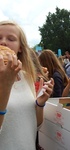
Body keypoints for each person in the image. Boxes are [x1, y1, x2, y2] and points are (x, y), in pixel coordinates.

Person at [0, 20, 54, 150]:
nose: (3, 42)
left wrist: (39, 104)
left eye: (11, 38)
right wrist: (5, 86)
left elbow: (35, 126)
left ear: (20, 48)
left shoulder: (27, 77)